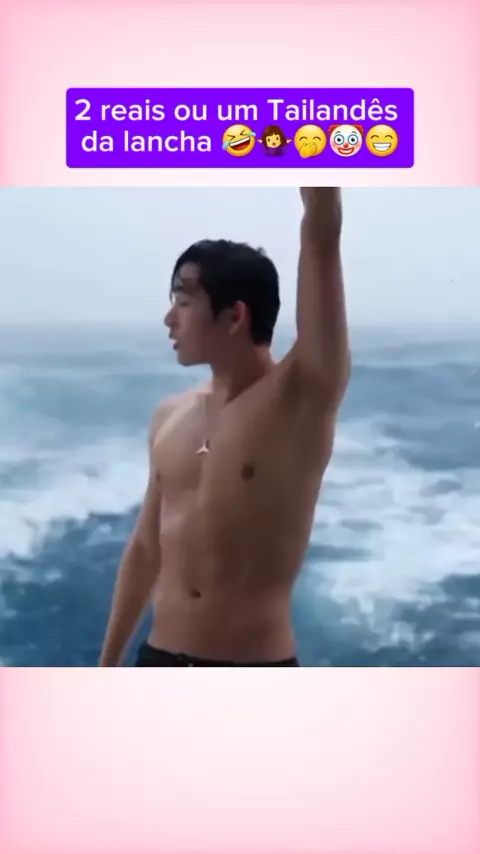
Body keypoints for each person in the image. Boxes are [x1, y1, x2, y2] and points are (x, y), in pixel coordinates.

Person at [99, 187, 350, 667]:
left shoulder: (301, 398)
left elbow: (322, 236)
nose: (168, 319)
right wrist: (107, 665)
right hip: (158, 661)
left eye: (183, 301)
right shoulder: (169, 416)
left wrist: (310, 152)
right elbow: (146, 550)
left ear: (235, 315)